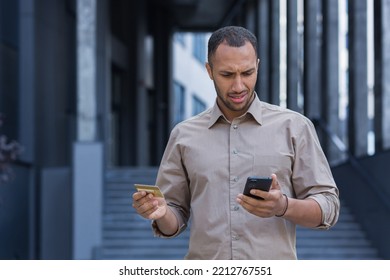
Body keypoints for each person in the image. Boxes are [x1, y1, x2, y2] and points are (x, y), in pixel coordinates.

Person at [132, 26, 340, 259]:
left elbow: (328, 207)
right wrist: (160, 213)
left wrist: (282, 206)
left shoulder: (295, 127)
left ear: (258, 67)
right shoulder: (183, 135)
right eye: (227, 75)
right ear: (209, 71)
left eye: (248, 73)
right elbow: (174, 217)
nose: (239, 86)